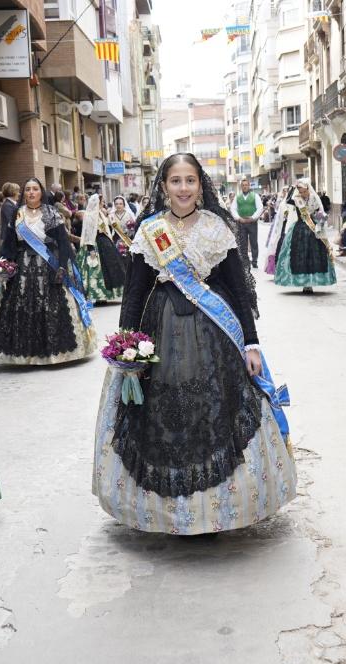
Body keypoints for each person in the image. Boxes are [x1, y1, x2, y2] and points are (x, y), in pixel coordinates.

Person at [92, 152, 296, 534]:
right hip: (160, 331)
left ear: (200, 185)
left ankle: (217, 512)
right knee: (163, 414)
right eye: (175, 181)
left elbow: (237, 290)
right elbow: (134, 293)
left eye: (190, 180)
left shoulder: (217, 228)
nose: (183, 188)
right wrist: (125, 345)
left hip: (215, 335)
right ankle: (171, 513)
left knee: (215, 411)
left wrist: (250, 343)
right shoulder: (150, 230)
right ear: (164, 186)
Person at [0, 177, 96, 364]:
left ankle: (55, 352)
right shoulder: (17, 214)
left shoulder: (51, 212)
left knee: (52, 307)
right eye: (28, 189)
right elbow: (9, 242)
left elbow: (63, 242)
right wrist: (4, 264)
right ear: (23, 193)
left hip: (49, 265)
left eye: (35, 189)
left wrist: (62, 265)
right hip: (22, 266)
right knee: (20, 308)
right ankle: (25, 355)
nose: (31, 192)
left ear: (41, 192)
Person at [271, 178, 336, 292]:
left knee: (314, 255)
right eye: (300, 191)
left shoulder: (314, 198)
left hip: (314, 228)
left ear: (307, 189)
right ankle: (302, 281)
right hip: (299, 228)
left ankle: (311, 282)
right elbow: (287, 200)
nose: (302, 194)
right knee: (298, 254)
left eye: (303, 191)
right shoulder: (296, 199)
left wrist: (319, 226)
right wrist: (292, 188)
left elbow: (320, 213)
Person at [73, 194, 124, 303]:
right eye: (102, 202)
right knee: (96, 271)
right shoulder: (90, 215)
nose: (103, 204)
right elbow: (88, 233)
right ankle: (98, 296)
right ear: (97, 203)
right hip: (94, 243)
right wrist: (91, 249)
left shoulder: (101, 213)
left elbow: (107, 227)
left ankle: (107, 295)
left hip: (105, 242)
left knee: (110, 269)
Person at [231, 178, 263, 268]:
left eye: (246, 185)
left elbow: (260, 208)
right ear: (241, 187)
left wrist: (253, 218)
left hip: (252, 222)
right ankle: (245, 261)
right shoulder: (237, 197)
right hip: (241, 222)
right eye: (243, 185)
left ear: (249, 186)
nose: (245, 187)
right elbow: (233, 209)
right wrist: (238, 218)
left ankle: (255, 260)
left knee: (254, 242)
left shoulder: (255, 196)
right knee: (243, 242)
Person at [0, 182, 21, 250]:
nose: (19, 194)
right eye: (17, 191)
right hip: (9, 238)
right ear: (13, 193)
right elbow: (12, 221)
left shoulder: (13, 204)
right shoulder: (8, 205)